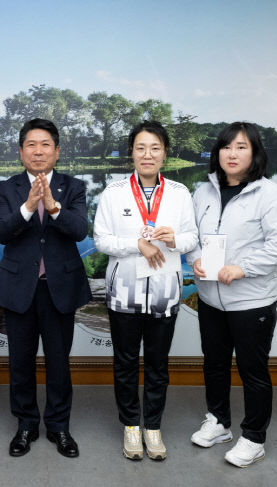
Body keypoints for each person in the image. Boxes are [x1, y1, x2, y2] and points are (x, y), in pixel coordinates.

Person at [188, 122, 277, 467]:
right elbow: (191, 236)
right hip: (209, 297)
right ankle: (218, 422)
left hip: (252, 301)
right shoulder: (203, 191)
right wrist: (196, 260)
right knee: (215, 364)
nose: (232, 154)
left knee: (253, 370)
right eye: (226, 147)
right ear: (217, 153)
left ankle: (253, 437)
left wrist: (243, 267)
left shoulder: (270, 194)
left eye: (241, 147)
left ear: (255, 154)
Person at [93, 121, 198, 461]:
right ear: (131, 154)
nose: (147, 154)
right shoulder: (114, 193)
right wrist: (137, 244)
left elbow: (193, 238)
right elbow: (102, 240)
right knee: (124, 362)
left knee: (157, 364)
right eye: (140, 148)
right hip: (124, 293)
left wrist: (174, 239)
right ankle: (130, 426)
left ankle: (153, 426)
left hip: (165, 292)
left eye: (154, 148)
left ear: (165, 153)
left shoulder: (180, 194)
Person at [0, 118, 92, 458]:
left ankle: (59, 427)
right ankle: (26, 424)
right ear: (21, 152)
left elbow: (79, 229)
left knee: (58, 363)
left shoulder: (73, 186)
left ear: (57, 151)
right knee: (20, 362)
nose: (38, 151)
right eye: (31, 145)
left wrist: (51, 205)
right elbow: (2, 232)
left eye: (45, 144)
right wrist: (28, 206)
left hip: (59, 288)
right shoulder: (6, 189)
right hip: (20, 288)